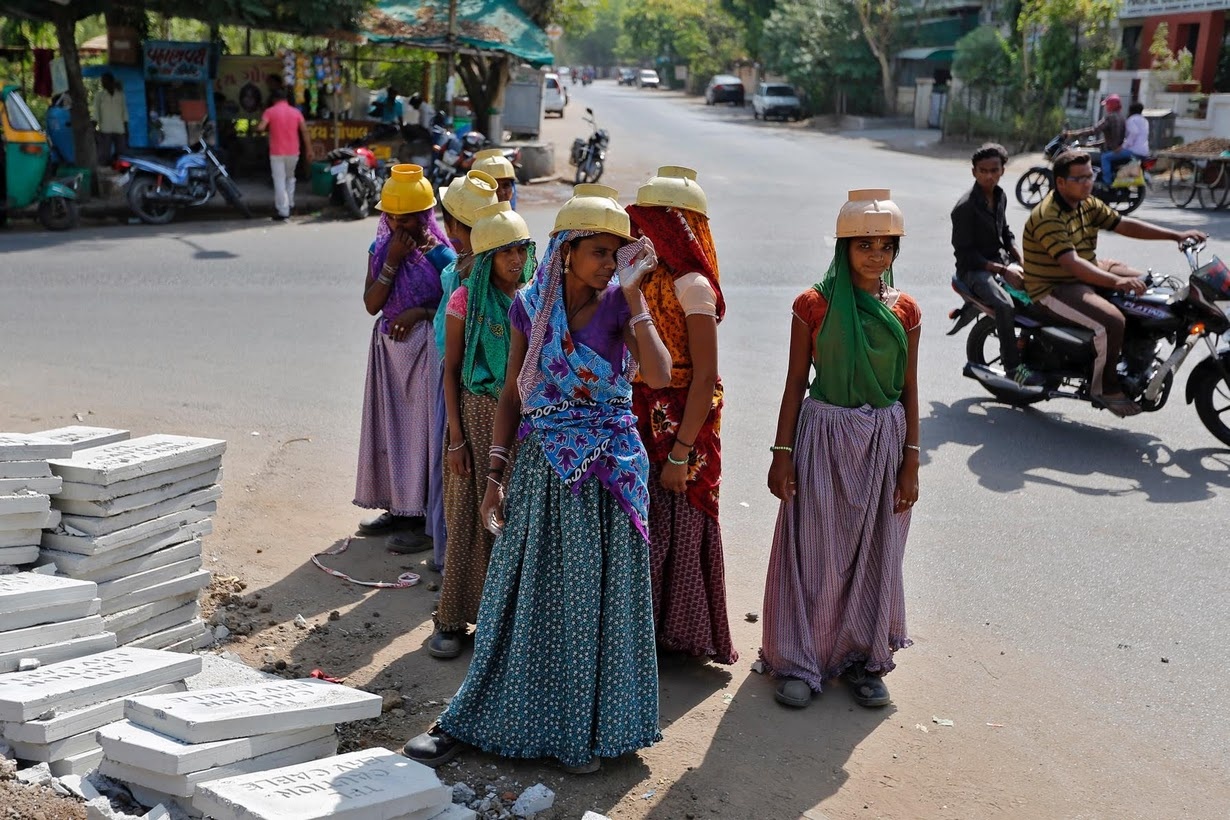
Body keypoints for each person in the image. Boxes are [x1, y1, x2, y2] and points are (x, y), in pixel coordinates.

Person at [403, 184, 672, 774]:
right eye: (599, 252)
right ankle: (492, 714)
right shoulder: (530, 304)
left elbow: (658, 372)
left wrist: (637, 297)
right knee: (520, 598)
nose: (608, 264)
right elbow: (512, 394)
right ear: (567, 252)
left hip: (605, 474)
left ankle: (589, 732)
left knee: (591, 604)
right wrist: (494, 472)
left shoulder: (622, 306)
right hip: (542, 469)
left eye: (615, 253)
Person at [762, 189, 920, 711]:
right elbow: (793, 381)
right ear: (843, 247)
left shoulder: (906, 310)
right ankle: (800, 660)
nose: (876, 255)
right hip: (823, 439)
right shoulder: (813, 304)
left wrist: (911, 460)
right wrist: (781, 450)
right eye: (864, 244)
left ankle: (864, 661)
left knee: (875, 554)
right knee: (816, 555)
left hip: (883, 443)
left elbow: (911, 389)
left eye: (886, 245)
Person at [625, 166, 737, 664]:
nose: (638, 234)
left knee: (682, 515)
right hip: (639, 412)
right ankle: (643, 631)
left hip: (683, 419)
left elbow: (705, 378)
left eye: (649, 224)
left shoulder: (693, 286)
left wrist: (682, 449)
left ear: (675, 227)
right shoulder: (638, 279)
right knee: (644, 521)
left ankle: (680, 635)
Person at [1021, 150, 1207, 417]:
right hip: (1054, 286)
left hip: (1089, 268)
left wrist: (1176, 235)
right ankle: (1105, 388)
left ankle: (1135, 354)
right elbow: (1072, 265)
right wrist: (1118, 282)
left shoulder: (1086, 203)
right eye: (1080, 178)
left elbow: (1124, 225)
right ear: (1060, 182)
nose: (1089, 182)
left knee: (1150, 288)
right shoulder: (1047, 215)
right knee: (1112, 321)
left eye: (1090, 175)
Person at [430, 201, 537, 658]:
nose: (515, 261)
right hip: (472, 419)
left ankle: (501, 628)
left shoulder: (534, 300)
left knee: (511, 525)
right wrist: (454, 438)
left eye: (521, 250)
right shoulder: (463, 300)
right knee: (466, 523)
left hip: (521, 423)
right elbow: (450, 371)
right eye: (505, 252)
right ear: (487, 257)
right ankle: (452, 621)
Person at [386, 170, 498, 559]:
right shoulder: (492, 266)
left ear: (451, 226)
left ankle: (445, 549)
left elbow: (452, 349)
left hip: (453, 377)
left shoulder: (456, 271)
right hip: (483, 385)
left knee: (449, 460)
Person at [354, 165, 458, 541]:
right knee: (389, 430)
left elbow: (452, 308)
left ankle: (421, 518)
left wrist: (419, 313)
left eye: (408, 218)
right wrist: (394, 259)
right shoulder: (380, 249)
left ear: (424, 216)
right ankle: (396, 508)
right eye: (392, 217)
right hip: (388, 350)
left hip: (426, 350)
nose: (399, 225)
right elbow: (371, 303)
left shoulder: (442, 257)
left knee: (421, 435)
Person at [950, 143, 1043, 387]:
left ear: (1002, 170)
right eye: (983, 170)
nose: (989, 175)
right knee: (1004, 305)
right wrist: (1003, 270)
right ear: (974, 172)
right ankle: (1013, 367)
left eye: (994, 170)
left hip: (1001, 262)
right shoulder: (965, 207)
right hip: (975, 271)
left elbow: (1005, 231)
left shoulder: (1000, 195)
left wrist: (1019, 258)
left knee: (1044, 291)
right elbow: (966, 254)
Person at [256, 88, 310, 222]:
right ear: (286, 99)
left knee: (279, 180)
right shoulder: (296, 112)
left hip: (277, 152)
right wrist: (309, 149)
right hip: (293, 151)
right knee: (290, 177)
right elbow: (304, 131)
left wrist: (261, 129)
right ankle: (290, 203)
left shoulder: (270, 111)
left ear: (274, 100)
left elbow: (261, 128)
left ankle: (283, 211)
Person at [1066, 93, 1127, 187]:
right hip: (1117, 149)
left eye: (1107, 104)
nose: (1106, 107)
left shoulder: (1109, 117)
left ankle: (1104, 183)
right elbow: (1113, 138)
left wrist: (1074, 133)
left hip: (1110, 150)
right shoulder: (1122, 117)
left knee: (1085, 156)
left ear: (1111, 105)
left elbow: (1094, 130)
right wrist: (1091, 144)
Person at [93, 72, 127, 165]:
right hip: (105, 129)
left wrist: (126, 130)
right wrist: (93, 127)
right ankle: (104, 171)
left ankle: (120, 171)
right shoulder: (99, 96)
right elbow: (96, 113)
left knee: (121, 154)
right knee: (104, 154)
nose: (103, 84)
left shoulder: (120, 95)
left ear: (111, 82)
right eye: (102, 82)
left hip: (119, 129)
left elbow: (124, 113)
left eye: (105, 81)